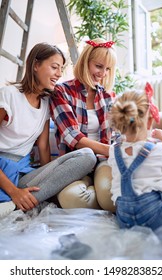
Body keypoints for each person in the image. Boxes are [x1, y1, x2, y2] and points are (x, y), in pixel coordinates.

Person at [0, 42, 97, 219]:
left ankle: (14, 207)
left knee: (87, 156)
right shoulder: (8, 95)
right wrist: (14, 191)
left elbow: (43, 147)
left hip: (23, 173)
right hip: (3, 175)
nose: (59, 74)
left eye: (61, 69)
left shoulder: (45, 103)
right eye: (54, 67)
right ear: (36, 65)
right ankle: (17, 201)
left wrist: (47, 179)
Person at [50, 38, 117, 211]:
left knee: (110, 198)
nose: (102, 73)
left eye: (107, 69)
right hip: (76, 161)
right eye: (99, 66)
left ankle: (99, 195)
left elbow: (117, 134)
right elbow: (74, 137)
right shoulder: (61, 91)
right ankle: (96, 195)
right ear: (86, 62)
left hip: (103, 161)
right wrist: (110, 150)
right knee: (69, 199)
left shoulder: (109, 97)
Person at [108, 82, 162, 230]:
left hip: (124, 217)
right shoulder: (159, 150)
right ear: (150, 121)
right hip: (154, 214)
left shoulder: (113, 150)